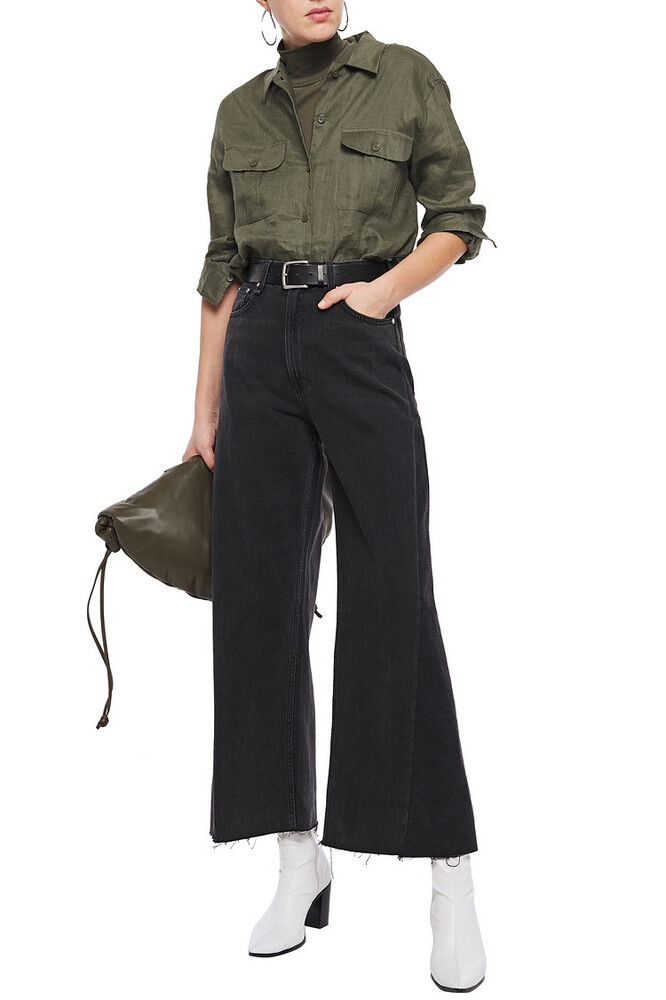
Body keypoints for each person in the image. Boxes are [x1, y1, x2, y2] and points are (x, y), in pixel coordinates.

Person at [183, 1, 492, 991]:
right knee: (259, 604)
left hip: (359, 334)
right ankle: (295, 857)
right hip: (258, 356)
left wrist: (381, 293)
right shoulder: (238, 111)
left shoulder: (401, 75)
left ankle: (448, 872)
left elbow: (457, 218)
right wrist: (205, 411)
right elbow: (222, 268)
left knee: (395, 590)